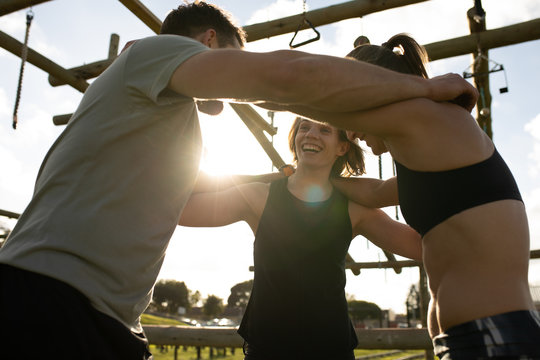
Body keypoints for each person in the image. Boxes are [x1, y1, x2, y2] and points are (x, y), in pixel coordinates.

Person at [0, 0, 475, 357]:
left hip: (104, 314)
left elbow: (170, 198)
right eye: (233, 57)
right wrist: (422, 88)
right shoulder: (155, 53)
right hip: (51, 296)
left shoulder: (167, 118)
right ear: (208, 43)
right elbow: (280, 78)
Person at [297, 33, 540, 359]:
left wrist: (235, 81)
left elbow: (298, 93)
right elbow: (375, 191)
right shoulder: (425, 157)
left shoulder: (429, 119)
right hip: (468, 340)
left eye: (351, 110)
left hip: (496, 337)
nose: (352, 132)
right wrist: (313, 174)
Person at [179, 117, 422, 360]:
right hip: (267, 349)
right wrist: (265, 176)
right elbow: (180, 210)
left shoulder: (354, 209)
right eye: (304, 128)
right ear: (294, 139)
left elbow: (420, 246)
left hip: (331, 349)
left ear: (342, 147)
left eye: (324, 130)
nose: (311, 134)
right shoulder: (257, 197)